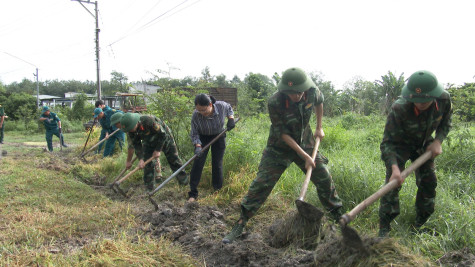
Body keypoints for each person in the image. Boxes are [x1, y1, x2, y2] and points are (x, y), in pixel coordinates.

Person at [222, 67, 343, 244]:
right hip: (279, 147)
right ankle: (241, 222)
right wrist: (304, 156)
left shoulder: (312, 92)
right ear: (285, 91)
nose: (297, 96)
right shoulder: (275, 102)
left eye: (300, 92)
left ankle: (338, 216)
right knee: (261, 183)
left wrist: (319, 126)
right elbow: (283, 134)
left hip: (306, 142)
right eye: (292, 94)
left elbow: (320, 102)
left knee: (323, 175)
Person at [378, 70, 452, 237]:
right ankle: (384, 228)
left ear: (434, 95)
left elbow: (446, 122)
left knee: (429, 182)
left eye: (424, 101)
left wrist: (438, 141)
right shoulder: (399, 108)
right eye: (416, 101)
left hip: (425, 144)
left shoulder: (444, 99)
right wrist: (395, 168)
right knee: (391, 185)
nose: (419, 104)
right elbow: (387, 143)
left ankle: (420, 224)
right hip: (400, 145)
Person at [120, 113, 189, 191]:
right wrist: (141, 159)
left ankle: (184, 182)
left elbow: (163, 135)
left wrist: (158, 150)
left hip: (164, 138)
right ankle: (149, 189)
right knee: (147, 164)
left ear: (136, 122)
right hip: (148, 141)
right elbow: (136, 144)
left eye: (131, 128)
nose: (130, 131)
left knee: (174, 160)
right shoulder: (130, 131)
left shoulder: (148, 120)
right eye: (129, 130)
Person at [187, 94, 235, 202]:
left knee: (217, 163)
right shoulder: (196, 115)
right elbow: (194, 133)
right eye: (199, 110)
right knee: (198, 163)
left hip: (219, 135)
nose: (202, 113)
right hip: (203, 138)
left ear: (210, 104)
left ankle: (217, 189)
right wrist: (198, 146)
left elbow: (229, 108)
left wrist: (230, 119)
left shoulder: (221, 106)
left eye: (203, 110)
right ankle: (193, 193)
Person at [110, 112, 163, 181]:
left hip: (151, 135)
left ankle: (158, 174)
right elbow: (134, 144)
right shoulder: (127, 127)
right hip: (144, 138)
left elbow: (131, 147)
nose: (116, 127)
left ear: (119, 122)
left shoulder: (131, 124)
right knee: (144, 156)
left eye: (116, 124)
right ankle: (150, 175)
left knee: (152, 153)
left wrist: (128, 161)